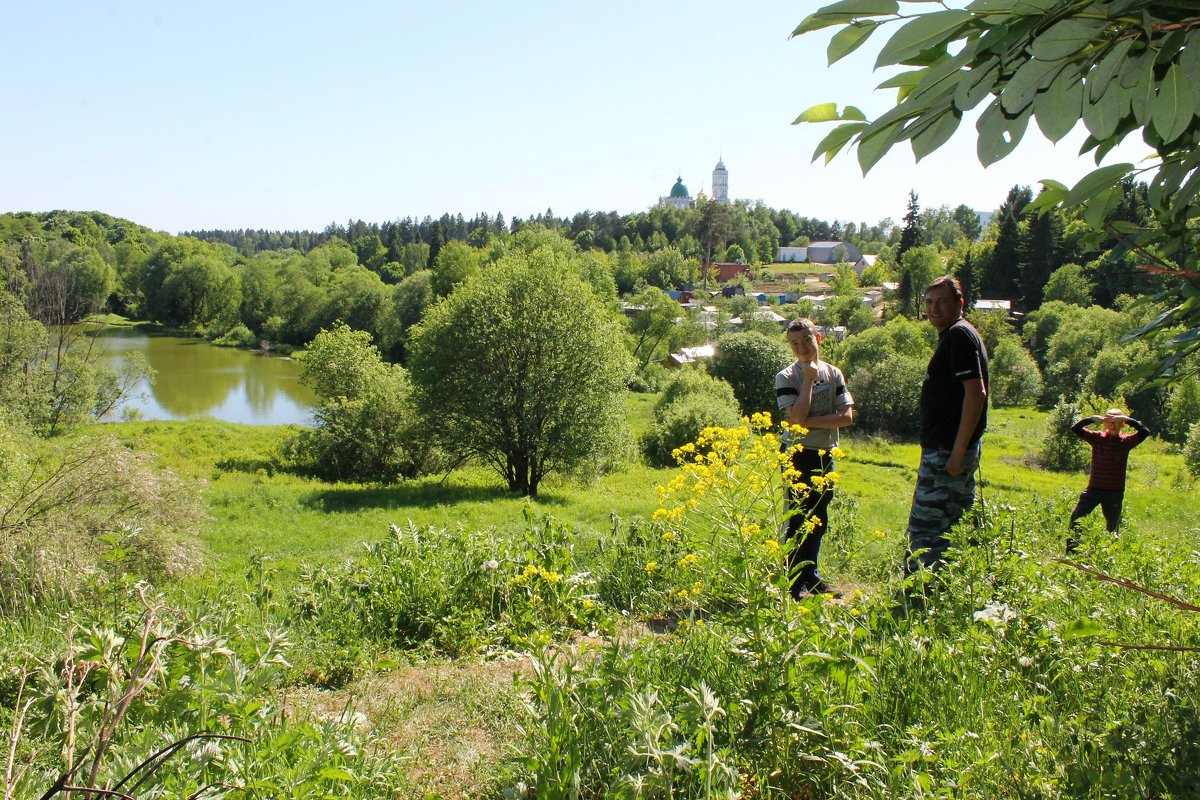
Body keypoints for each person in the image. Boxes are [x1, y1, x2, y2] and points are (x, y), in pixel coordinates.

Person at [905, 276, 989, 573]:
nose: (934, 308)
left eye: (942, 301)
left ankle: (916, 599)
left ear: (959, 303)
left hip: (946, 452)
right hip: (949, 449)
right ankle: (949, 591)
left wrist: (957, 450)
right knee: (953, 525)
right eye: (929, 302)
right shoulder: (958, 334)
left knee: (925, 530)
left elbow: (975, 393)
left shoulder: (958, 336)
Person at [775, 318, 854, 597]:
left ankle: (812, 575)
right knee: (797, 519)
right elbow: (796, 420)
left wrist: (810, 421)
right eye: (795, 344)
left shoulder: (834, 374)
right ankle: (793, 583)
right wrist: (808, 381)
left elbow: (846, 417)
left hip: (825, 453)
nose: (802, 348)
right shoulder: (786, 377)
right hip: (797, 455)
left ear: (818, 338)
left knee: (818, 517)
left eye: (807, 340)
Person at [1065, 408, 1150, 551]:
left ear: (1122, 424)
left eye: (1117, 421)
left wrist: (1128, 419)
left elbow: (1144, 432)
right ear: (1105, 423)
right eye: (1110, 421)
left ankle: (1109, 555)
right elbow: (1075, 428)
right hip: (1094, 489)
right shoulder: (1097, 438)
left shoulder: (1126, 442)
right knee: (1077, 518)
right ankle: (1072, 552)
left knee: (1112, 527)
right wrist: (1092, 419)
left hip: (1114, 493)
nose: (1113, 424)